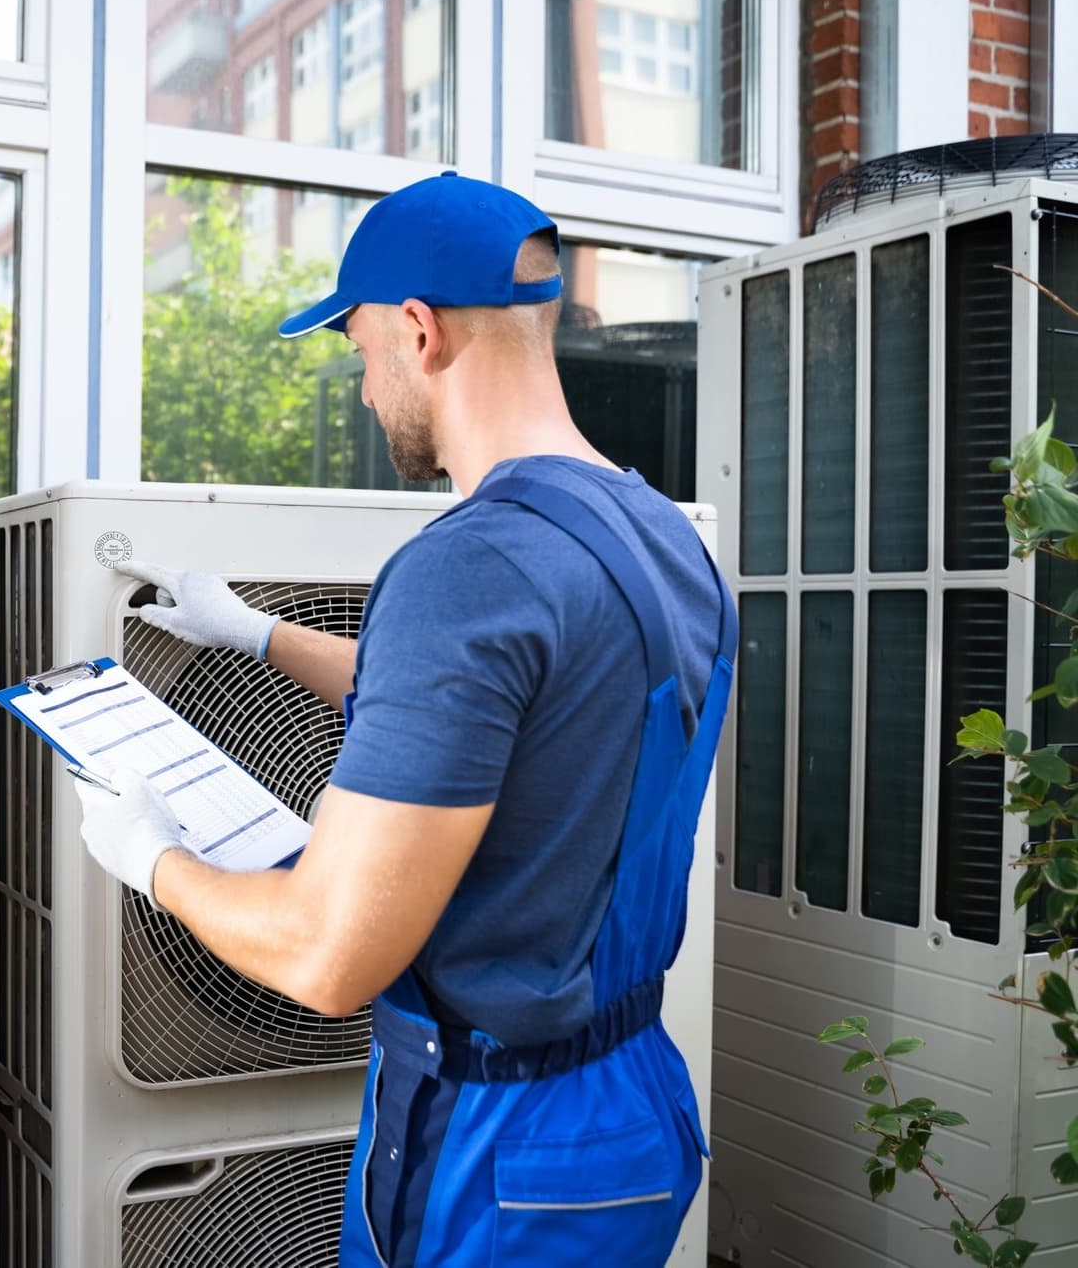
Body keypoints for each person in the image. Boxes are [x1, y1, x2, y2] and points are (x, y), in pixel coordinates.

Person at [75, 171, 737, 1267]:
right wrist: (255, 634)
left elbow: (328, 957)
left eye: (364, 351)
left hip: (497, 1153)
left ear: (420, 331)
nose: (367, 390)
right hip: (628, 1108)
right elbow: (504, 707)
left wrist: (155, 863)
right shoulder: (657, 533)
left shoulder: (465, 566)